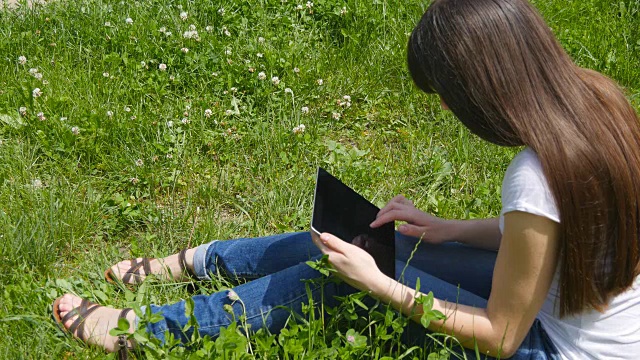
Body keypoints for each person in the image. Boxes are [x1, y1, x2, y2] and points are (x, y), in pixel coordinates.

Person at [52, 0, 640, 358]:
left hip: (552, 346)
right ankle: (204, 260)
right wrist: (449, 228)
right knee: (363, 239)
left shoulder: (532, 173)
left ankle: (150, 333)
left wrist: (381, 287)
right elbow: (554, 232)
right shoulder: (596, 99)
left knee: (345, 279)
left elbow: (502, 336)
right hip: (570, 308)